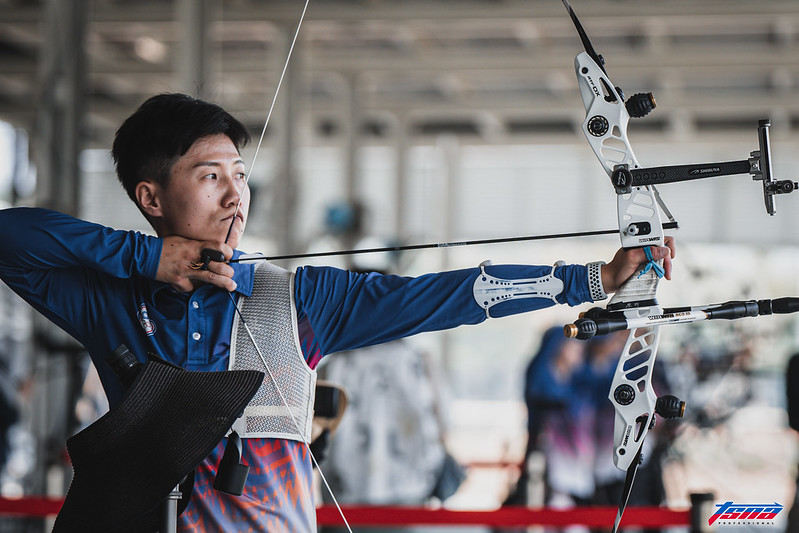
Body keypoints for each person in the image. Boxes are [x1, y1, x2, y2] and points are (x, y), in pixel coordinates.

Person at [0, 93, 675, 532]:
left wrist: (591, 277)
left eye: (240, 174)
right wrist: (148, 261)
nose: (236, 196)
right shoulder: (114, 300)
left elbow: (449, 295)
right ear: (151, 197)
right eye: (210, 176)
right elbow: (12, 237)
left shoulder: (297, 298)